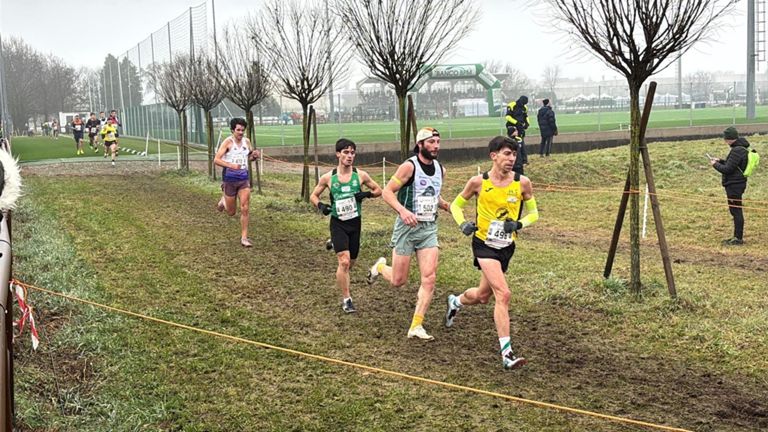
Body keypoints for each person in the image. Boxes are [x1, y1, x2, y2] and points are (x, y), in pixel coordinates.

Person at [445, 135, 539, 370]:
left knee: (482, 296)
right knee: (503, 294)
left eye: (514, 154)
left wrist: (519, 224)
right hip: (483, 244)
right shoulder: (478, 182)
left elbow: (534, 214)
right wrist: (462, 224)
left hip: (506, 246)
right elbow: (456, 205)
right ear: (493, 156)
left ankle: (455, 301)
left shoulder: (523, 183)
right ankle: (507, 354)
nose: (512, 158)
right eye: (507, 154)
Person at [367, 127, 450, 341]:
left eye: (438, 142)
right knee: (398, 280)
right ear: (420, 144)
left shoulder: (441, 169)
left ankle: (416, 325)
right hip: (407, 228)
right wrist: (403, 212)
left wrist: (446, 206)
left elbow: (434, 195)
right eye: (431, 142)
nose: (436, 146)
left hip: (428, 228)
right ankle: (379, 267)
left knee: (429, 278)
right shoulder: (409, 167)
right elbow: (387, 192)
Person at [310, 138, 382, 313]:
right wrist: (321, 206)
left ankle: (334, 243)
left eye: (352, 153)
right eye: (346, 152)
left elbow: (378, 190)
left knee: (351, 263)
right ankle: (347, 299)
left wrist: (365, 195)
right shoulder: (328, 177)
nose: (350, 156)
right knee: (344, 261)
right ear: (338, 154)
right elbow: (313, 195)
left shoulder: (361, 175)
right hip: (338, 223)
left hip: (355, 223)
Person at [214, 117, 260, 247]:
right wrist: (231, 165)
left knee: (245, 208)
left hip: (243, 179)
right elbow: (216, 160)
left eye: (242, 130)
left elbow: (248, 157)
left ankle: (244, 238)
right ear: (232, 130)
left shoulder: (247, 142)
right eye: (238, 130)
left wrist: (254, 156)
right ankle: (223, 201)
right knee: (231, 212)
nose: (240, 133)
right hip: (229, 179)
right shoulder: (227, 143)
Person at [709, 126, 750, 245]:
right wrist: (720, 160)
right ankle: (736, 236)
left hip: (734, 185)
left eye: (725, 138)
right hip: (737, 183)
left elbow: (727, 169)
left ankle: (738, 238)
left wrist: (715, 165)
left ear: (729, 138)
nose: (724, 141)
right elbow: (733, 165)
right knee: (736, 210)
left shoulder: (737, 150)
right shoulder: (741, 148)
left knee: (736, 211)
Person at [505, 96, 529, 174]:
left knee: (521, 143)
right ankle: (514, 161)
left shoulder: (525, 107)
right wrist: (516, 122)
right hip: (512, 126)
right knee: (513, 143)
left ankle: (522, 160)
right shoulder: (512, 105)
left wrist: (527, 123)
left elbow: (526, 116)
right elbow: (508, 117)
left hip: (520, 127)